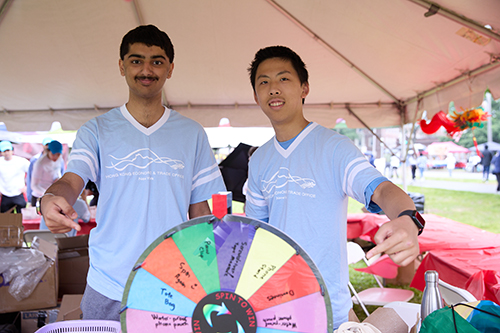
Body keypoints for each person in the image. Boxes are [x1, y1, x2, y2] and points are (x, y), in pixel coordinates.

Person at [39, 25, 226, 321]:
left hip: (173, 284)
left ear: (170, 68)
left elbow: (201, 211)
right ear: (122, 66)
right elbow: (71, 180)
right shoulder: (97, 130)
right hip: (108, 282)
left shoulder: (192, 134)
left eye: (157, 61)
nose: (146, 69)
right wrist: (49, 199)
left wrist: (212, 270)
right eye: (136, 60)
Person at [244, 46, 421, 328]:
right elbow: (255, 234)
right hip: (271, 308)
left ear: (304, 88)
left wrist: (408, 219)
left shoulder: (334, 148)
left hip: (326, 308)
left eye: (283, 79)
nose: (273, 89)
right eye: (263, 82)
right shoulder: (259, 160)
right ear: (255, 95)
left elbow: (381, 190)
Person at [0, 141, 30, 213]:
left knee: (21, 216)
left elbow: (32, 173)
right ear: (1, 152)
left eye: (8, 150)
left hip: (18, 193)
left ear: (12, 150)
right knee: (6, 218)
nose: (6, 153)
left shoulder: (21, 161)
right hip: (5, 193)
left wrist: (27, 186)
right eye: (4, 151)